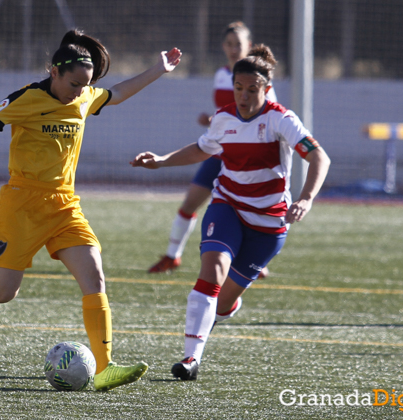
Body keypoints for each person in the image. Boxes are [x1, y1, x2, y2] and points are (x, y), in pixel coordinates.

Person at [0, 29, 182, 392]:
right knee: (2, 293)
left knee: (94, 276)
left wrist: (157, 69)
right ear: (54, 72)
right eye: (74, 83)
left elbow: (121, 92)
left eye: (86, 84)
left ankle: (105, 367)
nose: (80, 91)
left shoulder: (84, 99)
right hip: (21, 206)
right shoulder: (28, 98)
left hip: (65, 204)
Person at [131, 45, 331, 381]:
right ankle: (190, 360)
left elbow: (319, 157)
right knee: (212, 270)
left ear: (266, 89)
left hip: (269, 224)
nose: (244, 96)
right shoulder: (223, 117)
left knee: (222, 303)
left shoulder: (281, 119)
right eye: (239, 88)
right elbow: (201, 148)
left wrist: (306, 198)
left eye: (252, 90)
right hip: (228, 206)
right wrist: (162, 160)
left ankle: (225, 308)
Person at [148, 21, 276, 276]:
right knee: (189, 204)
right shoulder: (220, 75)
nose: (232, 49)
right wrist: (211, 120)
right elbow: (228, 116)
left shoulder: (258, 80)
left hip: (246, 157)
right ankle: (173, 256)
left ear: (248, 46)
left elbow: (266, 118)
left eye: (238, 44)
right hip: (219, 152)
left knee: (247, 206)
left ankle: (254, 260)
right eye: (229, 44)